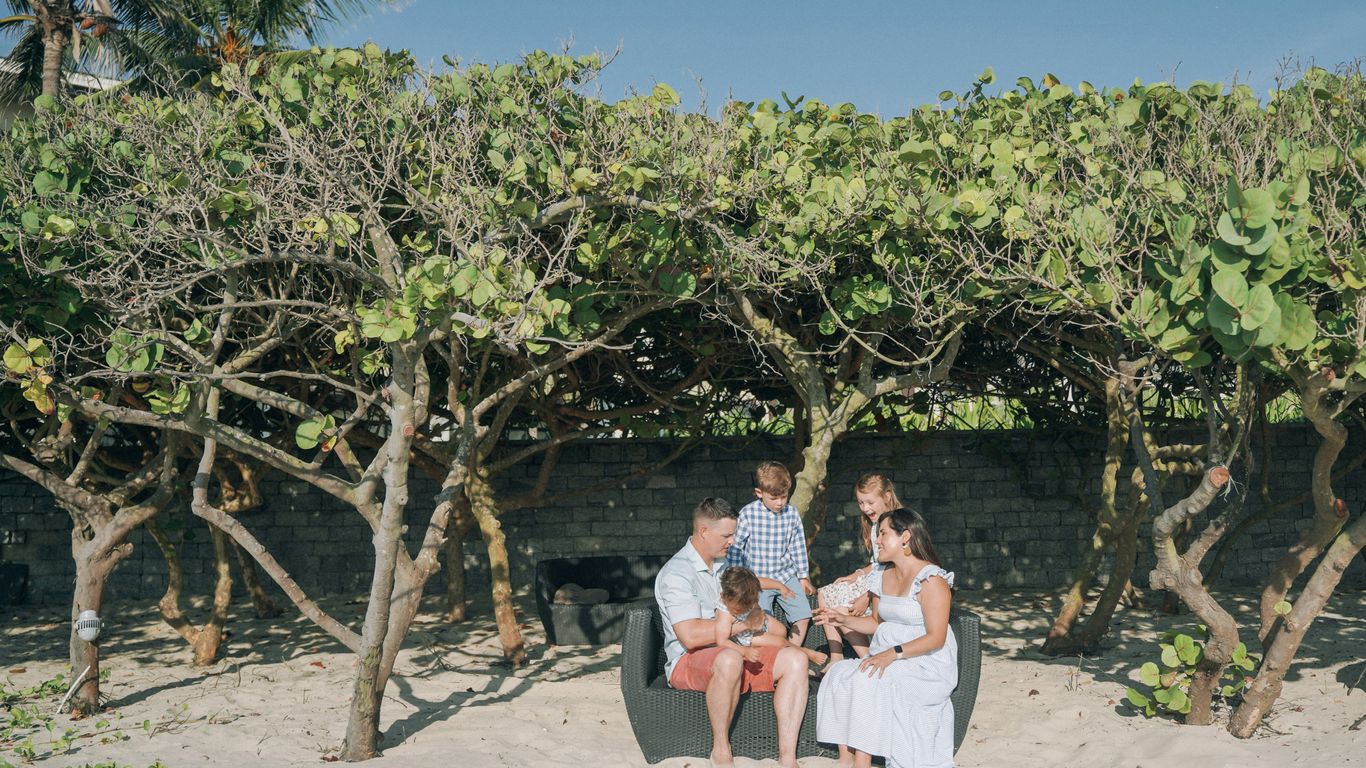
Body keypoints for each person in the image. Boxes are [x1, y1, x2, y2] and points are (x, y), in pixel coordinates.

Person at [654, 497, 810, 768]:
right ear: (704, 532)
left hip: (735, 649)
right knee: (729, 657)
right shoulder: (677, 573)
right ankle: (721, 749)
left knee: (797, 660)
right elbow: (690, 636)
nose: (733, 541)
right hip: (690, 659)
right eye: (727, 535)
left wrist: (760, 622)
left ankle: (788, 758)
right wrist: (744, 626)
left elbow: (755, 618)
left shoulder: (726, 568)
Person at [814, 508, 958, 768]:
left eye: (883, 533)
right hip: (887, 655)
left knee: (870, 678)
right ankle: (847, 756)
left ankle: (863, 762)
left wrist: (891, 654)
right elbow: (875, 623)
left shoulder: (931, 579)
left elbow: (936, 637)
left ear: (905, 537)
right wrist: (842, 620)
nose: (876, 540)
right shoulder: (881, 577)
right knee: (841, 674)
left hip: (925, 662)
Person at [816, 472, 902, 668]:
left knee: (842, 609)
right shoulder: (874, 524)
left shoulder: (897, 524)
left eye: (870, 502)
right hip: (874, 579)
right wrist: (859, 573)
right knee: (825, 593)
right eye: (861, 503)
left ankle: (867, 658)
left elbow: (895, 568)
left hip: (888, 587)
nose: (865, 508)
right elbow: (877, 562)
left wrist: (868, 596)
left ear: (887, 496)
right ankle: (836, 656)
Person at [726, 461, 814, 648]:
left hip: (785, 575)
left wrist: (803, 577)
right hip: (757, 580)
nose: (780, 502)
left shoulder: (791, 513)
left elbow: (797, 546)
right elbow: (736, 549)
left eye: (784, 496)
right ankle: (773, 658)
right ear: (759, 493)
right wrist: (738, 579)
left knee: (804, 615)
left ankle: (794, 653)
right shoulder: (748, 514)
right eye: (774, 498)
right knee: (763, 622)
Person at [715, 566, 828, 667]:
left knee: (781, 630)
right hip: (746, 637)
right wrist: (744, 651)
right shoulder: (724, 612)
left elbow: (762, 582)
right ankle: (805, 653)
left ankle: (775, 658)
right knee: (780, 642)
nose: (745, 608)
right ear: (724, 596)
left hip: (757, 620)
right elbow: (722, 641)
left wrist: (780, 586)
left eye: (749, 603)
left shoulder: (746, 586)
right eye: (740, 608)